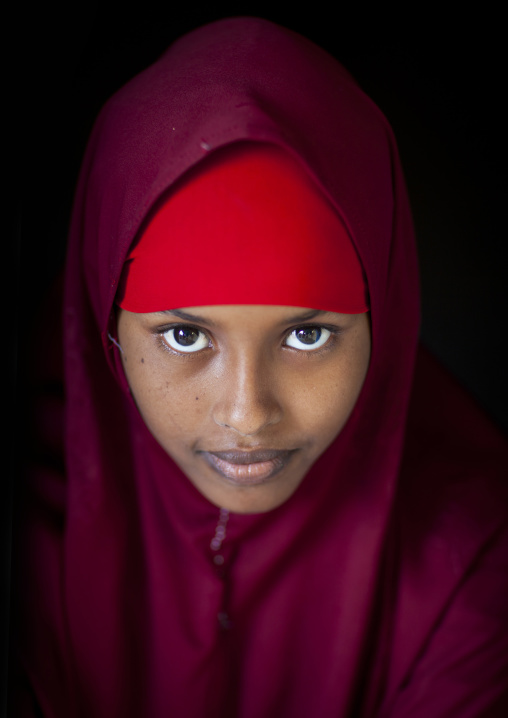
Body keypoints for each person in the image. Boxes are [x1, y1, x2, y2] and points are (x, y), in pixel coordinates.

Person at [11, 16, 508, 718]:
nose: (246, 414)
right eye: (184, 337)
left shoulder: (476, 556)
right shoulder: (23, 549)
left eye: (307, 335)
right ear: (106, 323)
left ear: (384, 322)